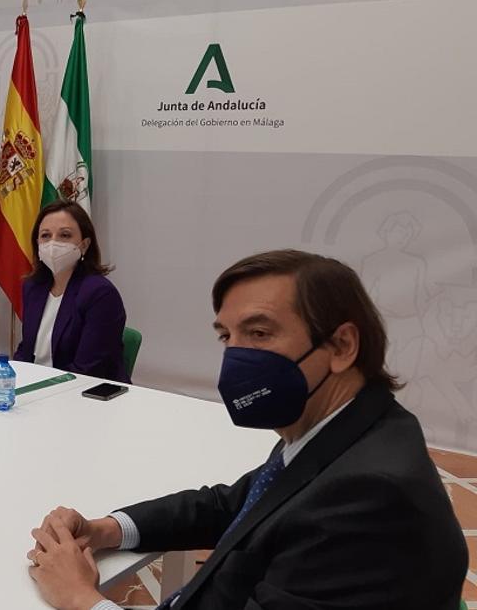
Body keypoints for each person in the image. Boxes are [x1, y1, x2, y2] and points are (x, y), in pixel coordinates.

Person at [25, 250, 467, 610]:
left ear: (342, 346)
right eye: (226, 337)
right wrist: (106, 529)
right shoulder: (342, 426)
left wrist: (80, 599)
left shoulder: (370, 497)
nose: (235, 357)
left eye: (258, 333)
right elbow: (229, 505)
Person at [14, 200, 128, 381]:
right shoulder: (33, 287)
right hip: (36, 390)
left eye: (65, 235)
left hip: (86, 395)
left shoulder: (100, 294)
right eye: (45, 236)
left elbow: (87, 370)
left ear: (84, 245)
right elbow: (26, 350)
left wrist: (35, 391)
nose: (53, 243)